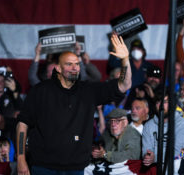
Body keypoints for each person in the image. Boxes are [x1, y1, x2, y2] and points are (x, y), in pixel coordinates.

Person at [16, 33, 131, 175]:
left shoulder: (88, 90)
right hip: (43, 167)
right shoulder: (40, 91)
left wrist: (125, 59)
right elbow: (22, 124)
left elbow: (124, 85)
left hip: (76, 168)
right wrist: (20, 158)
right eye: (69, 64)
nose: (75, 68)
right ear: (57, 68)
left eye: (77, 64)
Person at [142, 94, 184, 166]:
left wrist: (155, 158)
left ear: (173, 104)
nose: (160, 105)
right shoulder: (148, 125)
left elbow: (180, 154)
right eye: (158, 102)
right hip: (154, 169)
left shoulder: (182, 125)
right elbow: (146, 150)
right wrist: (148, 156)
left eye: (165, 102)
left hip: (178, 170)